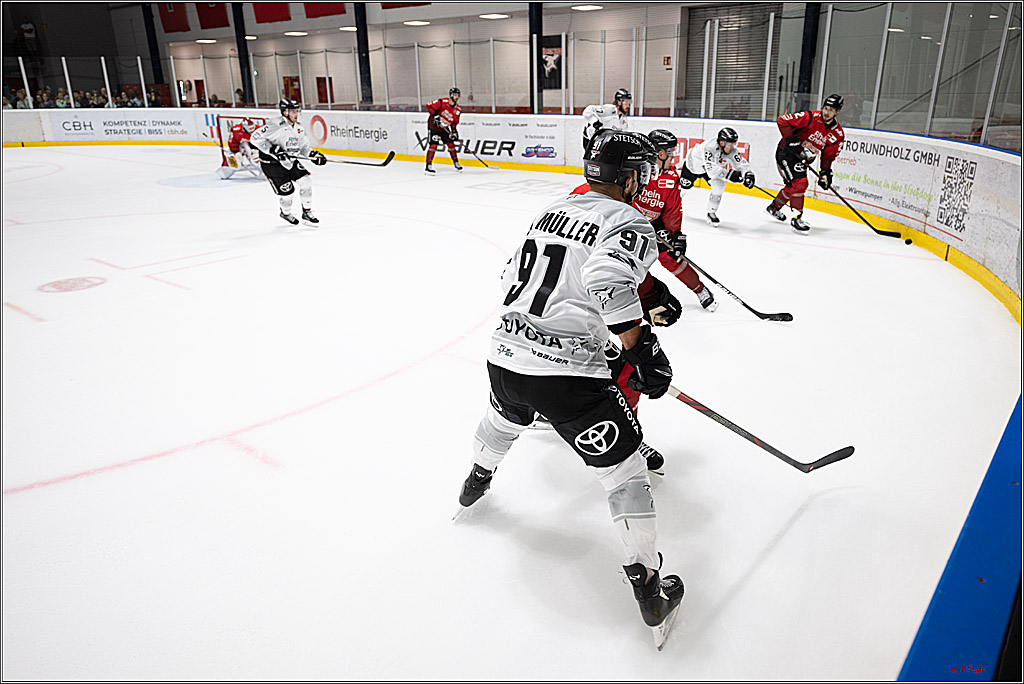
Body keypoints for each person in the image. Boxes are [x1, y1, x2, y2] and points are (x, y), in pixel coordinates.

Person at [456, 129, 685, 648]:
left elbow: (514, 276)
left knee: (503, 419)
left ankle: (475, 480)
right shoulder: (629, 219)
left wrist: (590, 332)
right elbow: (605, 278)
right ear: (630, 177)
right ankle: (649, 589)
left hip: (504, 355)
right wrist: (639, 347)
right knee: (625, 476)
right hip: (564, 379)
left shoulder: (552, 210)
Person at [765, 93, 846, 234]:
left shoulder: (837, 134)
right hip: (787, 154)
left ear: (837, 112)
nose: (827, 112)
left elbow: (828, 155)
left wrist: (825, 172)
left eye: (831, 110)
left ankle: (774, 207)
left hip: (802, 159)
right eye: (826, 108)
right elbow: (783, 121)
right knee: (800, 183)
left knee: (794, 186)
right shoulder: (810, 117)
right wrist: (791, 139)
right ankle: (796, 218)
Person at [249, 98, 328, 226]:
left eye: (296, 111)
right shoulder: (274, 125)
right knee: (288, 193)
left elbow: (303, 147)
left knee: (306, 181)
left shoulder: (298, 128)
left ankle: (307, 212)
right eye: (292, 111)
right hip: (272, 165)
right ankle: (285, 213)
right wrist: (272, 150)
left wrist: (313, 155)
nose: (296, 114)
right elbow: (254, 138)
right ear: (285, 112)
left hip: (289, 160)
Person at [677, 127, 756, 225]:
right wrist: (730, 175)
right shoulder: (709, 147)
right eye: (730, 144)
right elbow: (712, 170)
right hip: (692, 167)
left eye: (733, 144)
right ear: (722, 142)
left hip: (708, 170)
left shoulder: (731, 150)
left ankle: (711, 212)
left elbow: (741, 164)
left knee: (718, 186)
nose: (732, 147)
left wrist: (748, 174)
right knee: (683, 189)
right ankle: (672, 207)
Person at [424, 87, 462, 175]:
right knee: (433, 146)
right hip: (434, 127)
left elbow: (454, 122)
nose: (457, 97)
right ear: (451, 95)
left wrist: (454, 131)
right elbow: (429, 106)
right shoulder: (442, 102)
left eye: (458, 95)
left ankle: (456, 162)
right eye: (455, 95)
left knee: (451, 145)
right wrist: (435, 116)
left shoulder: (458, 110)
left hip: (444, 128)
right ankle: (428, 165)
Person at [581, 88, 631, 153]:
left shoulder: (623, 119)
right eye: (626, 102)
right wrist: (595, 122)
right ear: (619, 102)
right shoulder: (609, 109)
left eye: (629, 103)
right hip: (590, 138)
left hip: (602, 141)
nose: (628, 106)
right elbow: (588, 111)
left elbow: (622, 134)